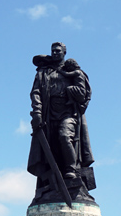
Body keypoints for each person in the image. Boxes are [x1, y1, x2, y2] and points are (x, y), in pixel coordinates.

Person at [28, 42, 95, 205]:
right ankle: (53, 182)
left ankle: (71, 171)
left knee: (65, 136)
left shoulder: (72, 71)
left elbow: (85, 93)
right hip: (48, 115)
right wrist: (37, 112)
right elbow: (36, 92)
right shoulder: (43, 72)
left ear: (64, 52)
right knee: (51, 148)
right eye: (53, 51)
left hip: (68, 112)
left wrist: (72, 91)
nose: (55, 52)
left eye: (59, 50)